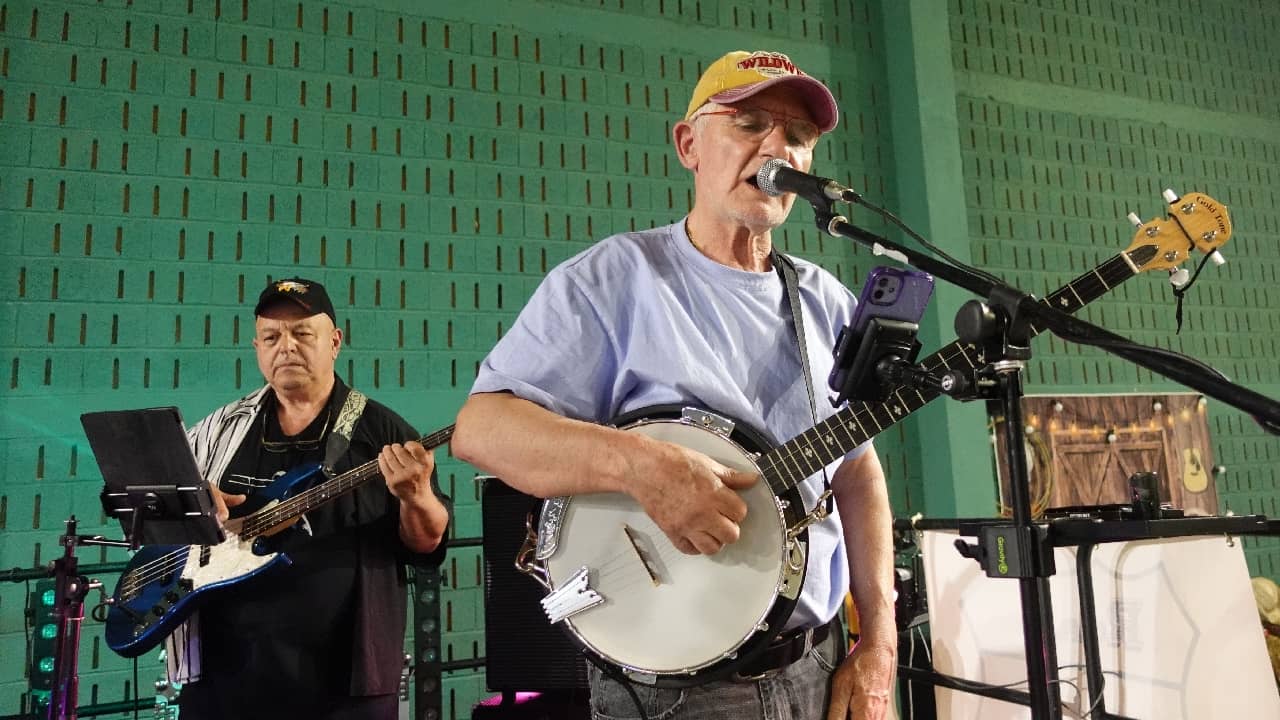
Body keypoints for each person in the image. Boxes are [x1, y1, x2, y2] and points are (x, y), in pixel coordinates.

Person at [453, 50, 896, 719]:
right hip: (673, 696)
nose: (777, 145)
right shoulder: (612, 281)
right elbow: (481, 431)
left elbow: (857, 476)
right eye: (749, 123)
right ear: (689, 144)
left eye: (798, 137)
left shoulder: (826, 302)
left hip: (818, 666)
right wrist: (641, 466)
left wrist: (879, 645)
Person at [168, 277, 452, 720]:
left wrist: (416, 497)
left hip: (346, 685)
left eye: (302, 333)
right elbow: (159, 520)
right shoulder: (219, 430)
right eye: (271, 336)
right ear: (256, 347)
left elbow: (428, 542)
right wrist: (194, 507)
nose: (286, 347)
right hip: (223, 676)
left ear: (335, 342)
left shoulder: (383, 432)